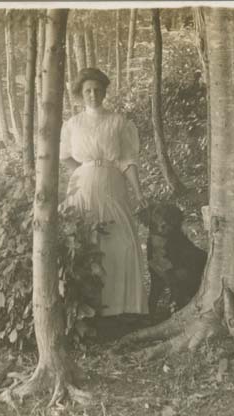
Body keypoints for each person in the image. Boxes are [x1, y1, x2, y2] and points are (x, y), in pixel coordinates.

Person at [60, 67, 148, 316]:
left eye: (98, 89)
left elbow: (127, 161)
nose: (93, 94)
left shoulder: (118, 122)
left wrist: (139, 192)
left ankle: (123, 308)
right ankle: (89, 311)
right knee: (87, 241)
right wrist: (83, 172)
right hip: (82, 187)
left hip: (113, 184)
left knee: (121, 242)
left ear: (105, 92)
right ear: (80, 94)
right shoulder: (73, 124)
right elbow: (65, 156)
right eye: (88, 90)